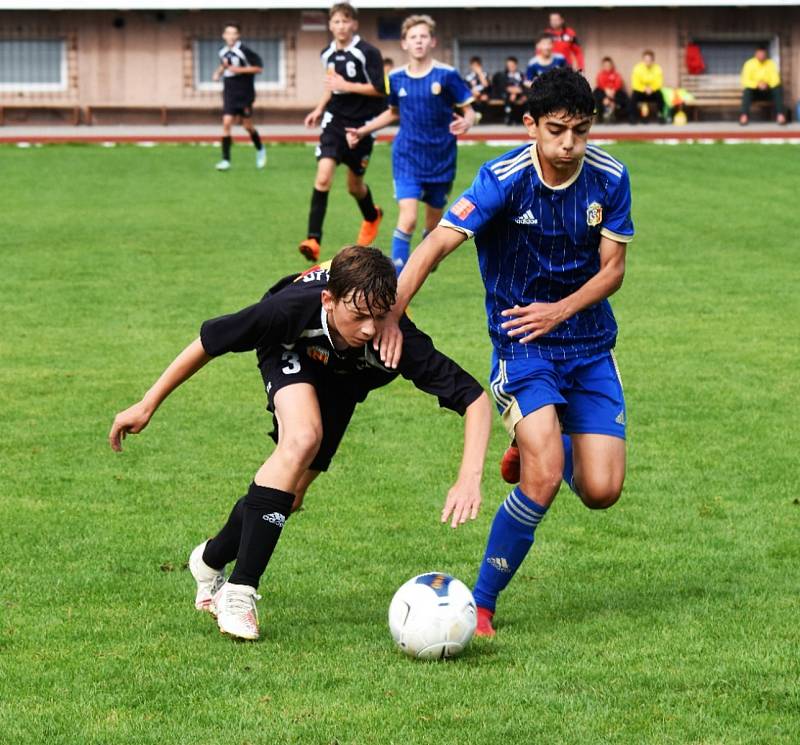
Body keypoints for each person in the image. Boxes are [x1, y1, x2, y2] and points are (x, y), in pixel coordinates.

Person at [108, 246, 492, 641]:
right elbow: (210, 340)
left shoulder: (393, 338)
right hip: (289, 348)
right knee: (302, 437)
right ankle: (239, 593)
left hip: (343, 380)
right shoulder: (288, 311)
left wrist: (469, 477)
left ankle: (208, 561)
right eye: (358, 316)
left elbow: (475, 399)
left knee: (289, 498)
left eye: (379, 316)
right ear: (329, 299)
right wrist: (148, 402)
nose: (368, 329)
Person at [375, 67, 633, 638]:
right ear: (531, 125)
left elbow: (613, 270)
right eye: (557, 130)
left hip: (590, 347)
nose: (570, 145)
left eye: (581, 131)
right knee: (542, 480)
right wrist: (393, 314)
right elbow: (434, 245)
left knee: (602, 492)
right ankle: (484, 606)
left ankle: (545, 440)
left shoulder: (611, 177)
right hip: (522, 345)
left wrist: (559, 310)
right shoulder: (502, 178)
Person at [345, 15, 475, 273]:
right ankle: (395, 284)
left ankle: (428, 254)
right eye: (413, 37)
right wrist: (363, 130)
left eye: (423, 36)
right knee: (408, 218)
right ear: (404, 43)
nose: (418, 41)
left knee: (433, 227)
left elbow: (469, 110)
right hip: (407, 156)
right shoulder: (395, 78)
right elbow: (393, 112)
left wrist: (468, 121)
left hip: (441, 158)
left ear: (433, 41)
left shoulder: (447, 75)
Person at [299, 3, 386, 262]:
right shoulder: (327, 53)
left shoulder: (368, 52)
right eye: (336, 22)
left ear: (354, 24)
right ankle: (313, 240)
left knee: (354, 186)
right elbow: (331, 85)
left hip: (363, 126)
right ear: (330, 25)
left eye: (345, 21)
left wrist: (345, 85)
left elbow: (380, 89)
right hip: (335, 121)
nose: (341, 27)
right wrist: (319, 108)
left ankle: (372, 216)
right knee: (323, 177)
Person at [212, 23, 267, 172]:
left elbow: (259, 68)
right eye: (228, 33)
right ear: (224, 35)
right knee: (227, 122)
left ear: (238, 36)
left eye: (234, 33)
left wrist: (239, 70)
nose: (230, 36)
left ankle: (260, 149)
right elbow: (225, 65)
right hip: (229, 90)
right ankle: (225, 160)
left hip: (244, 91)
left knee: (247, 126)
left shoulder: (244, 51)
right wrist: (218, 73)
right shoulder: (222, 51)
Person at [739, 46, 786, 126]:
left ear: (766, 54)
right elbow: (745, 80)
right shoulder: (749, 64)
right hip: (754, 93)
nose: (761, 55)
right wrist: (757, 84)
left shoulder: (771, 63)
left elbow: (776, 80)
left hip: (767, 92)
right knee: (747, 90)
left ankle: (780, 115)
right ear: (756, 54)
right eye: (759, 53)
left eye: (763, 53)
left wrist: (766, 84)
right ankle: (744, 116)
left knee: (778, 89)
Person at [629, 50, 665, 124]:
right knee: (633, 96)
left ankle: (660, 115)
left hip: (653, 92)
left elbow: (659, 82)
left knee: (660, 95)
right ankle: (633, 117)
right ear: (643, 60)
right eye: (645, 60)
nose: (647, 62)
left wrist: (651, 88)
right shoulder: (637, 68)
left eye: (649, 60)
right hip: (641, 92)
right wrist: (644, 88)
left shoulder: (658, 68)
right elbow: (635, 83)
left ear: (653, 60)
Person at [593, 56, 629, 123]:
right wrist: (605, 95)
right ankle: (597, 117)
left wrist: (614, 91)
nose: (607, 66)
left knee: (624, 97)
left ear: (612, 65)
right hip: (603, 92)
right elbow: (599, 83)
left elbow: (619, 83)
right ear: (603, 66)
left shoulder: (616, 74)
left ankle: (616, 111)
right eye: (605, 65)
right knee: (595, 93)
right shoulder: (600, 74)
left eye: (609, 65)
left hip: (614, 92)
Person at [492, 56, 525, 126]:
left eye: (512, 65)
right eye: (509, 66)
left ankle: (519, 119)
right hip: (506, 95)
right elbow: (504, 87)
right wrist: (513, 92)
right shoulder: (504, 75)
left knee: (524, 98)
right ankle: (508, 117)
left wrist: (516, 92)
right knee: (509, 97)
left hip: (519, 94)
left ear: (516, 65)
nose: (510, 67)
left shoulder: (520, 75)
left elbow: (523, 87)